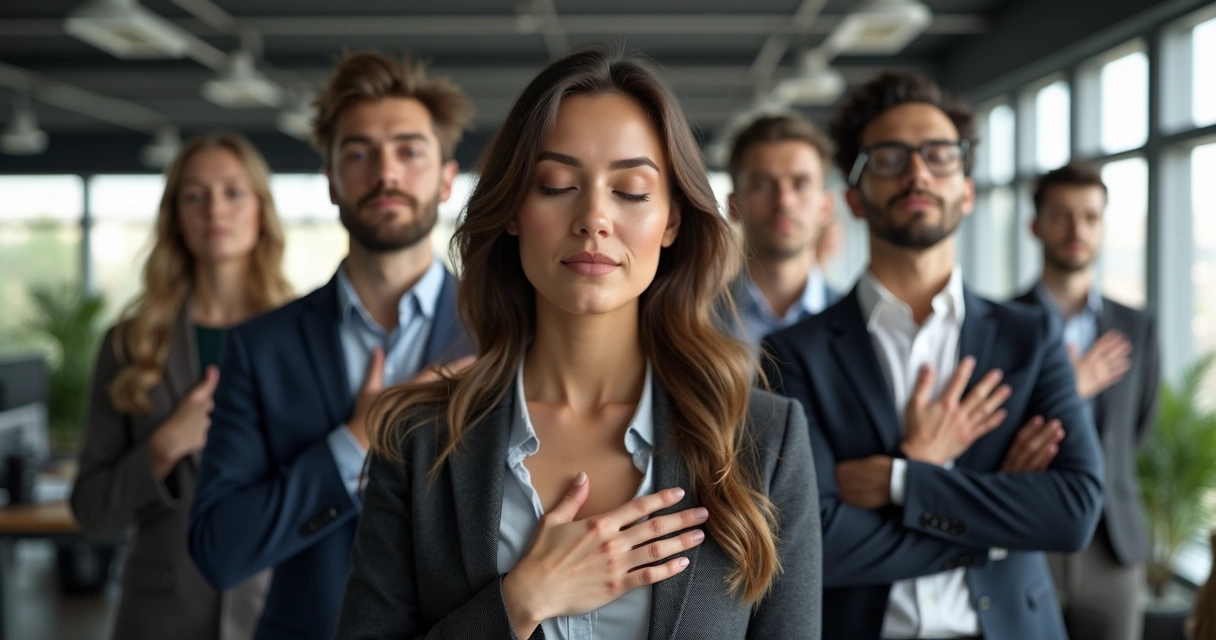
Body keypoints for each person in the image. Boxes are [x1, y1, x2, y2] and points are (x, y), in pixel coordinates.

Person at [333, 48, 822, 640]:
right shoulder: (417, 438)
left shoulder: (765, 438)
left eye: (632, 191)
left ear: (672, 221)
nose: (594, 217)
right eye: (557, 184)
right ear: (513, 210)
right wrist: (518, 603)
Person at [761, 70, 1105, 640]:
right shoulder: (793, 354)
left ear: (966, 190)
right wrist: (996, 532)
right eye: (890, 158)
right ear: (854, 198)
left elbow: (1071, 512)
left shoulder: (1029, 337)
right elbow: (815, 544)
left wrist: (900, 479)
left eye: (940, 156)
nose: (918, 172)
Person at [187, 51, 474, 640]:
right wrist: (357, 440)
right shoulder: (260, 348)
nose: (386, 173)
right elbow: (219, 550)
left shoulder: (505, 336)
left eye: (409, 151)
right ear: (331, 181)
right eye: (359, 153)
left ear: (447, 178)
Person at [71, 131, 290, 640]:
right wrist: (164, 447)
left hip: (280, 609)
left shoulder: (305, 336)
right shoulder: (129, 345)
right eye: (195, 195)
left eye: (233, 192)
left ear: (261, 209)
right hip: (161, 616)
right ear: (175, 216)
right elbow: (92, 513)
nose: (215, 209)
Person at [1015, 160, 1160, 640]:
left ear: (1102, 226)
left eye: (1090, 217)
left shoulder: (1136, 327)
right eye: (1061, 216)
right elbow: (992, 431)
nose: (1077, 229)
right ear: (1036, 226)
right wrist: (1068, 388)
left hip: (1112, 543)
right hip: (1027, 536)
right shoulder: (1003, 322)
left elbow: (1137, 428)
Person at [725, 114, 841, 348]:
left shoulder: (863, 325)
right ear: (733, 206)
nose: (784, 201)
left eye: (800, 184)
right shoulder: (692, 322)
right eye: (762, 185)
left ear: (825, 207)